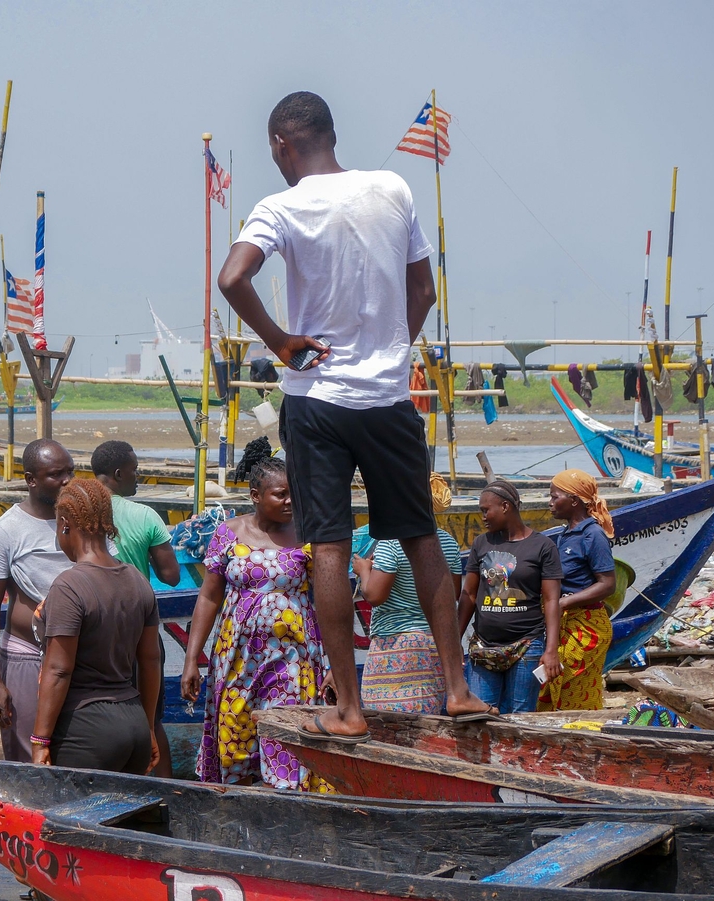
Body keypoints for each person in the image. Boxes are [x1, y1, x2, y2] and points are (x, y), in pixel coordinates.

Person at [217, 91, 490, 742]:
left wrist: (281, 341)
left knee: (332, 547)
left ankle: (350, 706)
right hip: (389, 399)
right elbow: (423, 289)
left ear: (282, 145)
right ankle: (456, 690)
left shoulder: (280, 206)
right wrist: (393, 352)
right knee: (422, 536)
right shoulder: (393, 188)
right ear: (330, 136)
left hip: (317, 400)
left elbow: (233, 279)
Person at [181, 458, 330, 789]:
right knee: (236, 737)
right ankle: (238, 811)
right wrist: (192, 658)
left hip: (294, 661)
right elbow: (208, 598)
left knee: (287, 739)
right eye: (281, 494)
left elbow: (327, 601)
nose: (291, 501)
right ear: (255, 495)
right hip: (237, 662)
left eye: (295, 493)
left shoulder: (309, 534)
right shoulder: (228, 534)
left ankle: (288, 809)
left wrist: (336, 662)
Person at [32, 480, 161, 773]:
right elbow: (151, 661)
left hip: (86, 730)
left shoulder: (70, 585)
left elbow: (59, 670)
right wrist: (149, 727)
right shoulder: (138, 580)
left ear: (64, 524)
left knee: (74, 819)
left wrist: (40, 741)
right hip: (134, 724)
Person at [0, 439, 75, 762]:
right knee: (27, 757)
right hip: (28, 657)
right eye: (56, 474)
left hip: (79, 655)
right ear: (31, 480)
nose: (67, 481)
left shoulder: (80, 523)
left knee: (73, 752)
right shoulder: (5, 532)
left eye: (70, 472)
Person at [91, 439, 180, 777]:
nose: (137, 478)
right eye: (134, 472)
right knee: (151, 717)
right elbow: (171, 576)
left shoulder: (78, 511)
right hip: (139, 630)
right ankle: (168, 794)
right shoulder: (144, 515)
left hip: (94, 633)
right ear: (117, 473)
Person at [351, 473, 462, 714]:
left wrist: (363, 570)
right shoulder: (448, 542)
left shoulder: (391, 542)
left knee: (385, 722)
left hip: (395, 644)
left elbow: (374, 595)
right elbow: (452, 594)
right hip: (433, 643)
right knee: (427, 720)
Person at [457, 479, 564, 714]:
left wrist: (551, 650)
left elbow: (551, 600)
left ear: (505, 507)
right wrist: (455, 641)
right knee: (479, 717)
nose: (482, 516)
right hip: (483, 647)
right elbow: (469, 594)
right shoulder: (480, 544)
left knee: (520, 718)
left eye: (486, 510)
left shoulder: (543, 547)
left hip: (526, 646)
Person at [540, 469, 617, 711]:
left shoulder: (593, 535)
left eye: (555, 497)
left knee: (566, 685)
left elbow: (607, 583)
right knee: (554, 686)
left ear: (574, 501)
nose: (550, 503)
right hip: (566, 623)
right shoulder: (565, 535)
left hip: (586, 626)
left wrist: (563, 603)